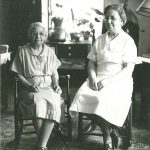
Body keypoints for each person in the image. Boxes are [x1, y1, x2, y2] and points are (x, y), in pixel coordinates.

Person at [69, 4, 137, 150]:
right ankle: (111, 130)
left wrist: (108, 82)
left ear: (122, 20)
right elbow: (91, 62)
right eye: (106, 18)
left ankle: (106, 137)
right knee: (80, 96)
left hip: (119, 81)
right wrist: (93, 77)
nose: (109, 21)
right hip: (98, 77)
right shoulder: (100, 39)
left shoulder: (128, 41)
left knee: (101, 100)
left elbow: (128, 69)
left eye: (113, 18)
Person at [11, 22, 62, 150]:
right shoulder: (22, 51)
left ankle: (41, 145)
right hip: (30, 88)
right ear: (30, 35)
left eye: (41, 34)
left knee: (55, 102)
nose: (38, 36)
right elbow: (18, 75)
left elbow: (55, 73)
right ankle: (43, 144)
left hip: (48, 87)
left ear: (45, 36)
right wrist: (29, 86)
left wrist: (56, 84)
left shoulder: (50, 52)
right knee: (37, 103)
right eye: (35, 33)